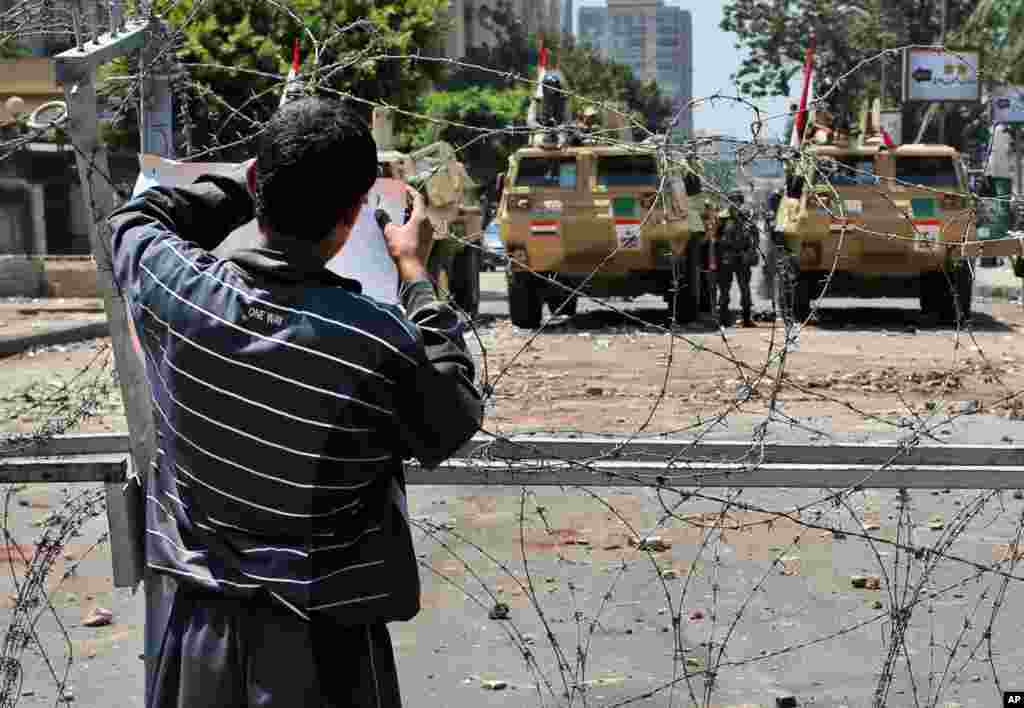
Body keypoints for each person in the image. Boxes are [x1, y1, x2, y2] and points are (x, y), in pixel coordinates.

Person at [107, 96, 483, 707]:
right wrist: (414, 272)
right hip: (329, 647)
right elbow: (450, 420)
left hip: (201, 633)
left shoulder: (182, 290)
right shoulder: (373, 339)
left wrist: (251, 178)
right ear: (357, 211)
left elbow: (138, 217)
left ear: (258, 183)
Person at [714, 190, 759, 328]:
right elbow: (715, 237)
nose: (735, 203)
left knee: (745, 288)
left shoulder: (746, 217)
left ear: (741, 202)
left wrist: (750, 252)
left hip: (742, 257)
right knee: (724, 290)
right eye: (732, 200)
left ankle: (746, 318)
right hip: (726, 257)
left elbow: (754, 236)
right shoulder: (722, 217)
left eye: (738, 200)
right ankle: (723, 318)